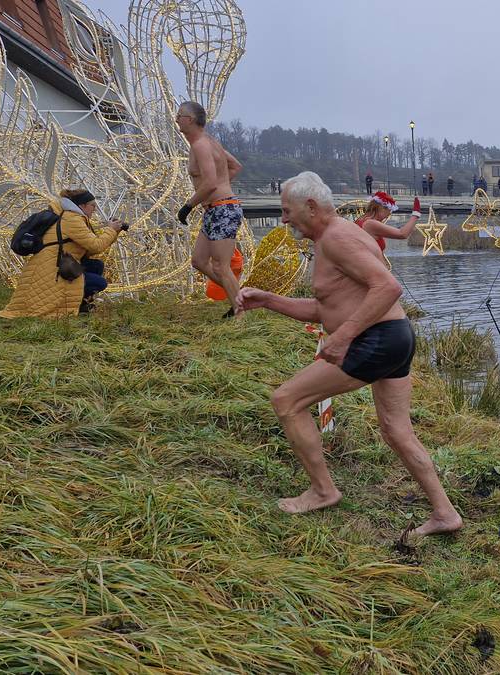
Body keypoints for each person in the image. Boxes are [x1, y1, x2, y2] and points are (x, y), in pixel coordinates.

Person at [234, 171, 461, 536]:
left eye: (287, 210)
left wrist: (343, 337)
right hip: (395, 336)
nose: (284, 219)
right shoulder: (336, 236)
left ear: (311, 206)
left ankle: (323, 491)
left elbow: (388, 287)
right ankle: (445, 514)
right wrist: (269, 300)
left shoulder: (337, 238)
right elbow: (327, 308)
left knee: (286, 400)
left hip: (376, 340)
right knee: (397, 431)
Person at [0, 189, 127, 318]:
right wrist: (110, 230)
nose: (95, 209)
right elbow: (96, 245)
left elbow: (90, 249)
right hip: (53, 270)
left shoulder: (71, 217)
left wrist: (115, 232)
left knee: (96, 265)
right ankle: (73, 302)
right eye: (92, 205)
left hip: (60, 263)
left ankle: (81, 302)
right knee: (100, 283)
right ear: (82, 205)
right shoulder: (72, 219)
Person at [176, 101, 244, 318]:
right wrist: (221, 187)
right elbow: (235, 166)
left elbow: (211, 183)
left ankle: (240, 314)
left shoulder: (201, 145)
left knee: (221, 266)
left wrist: (188, 205)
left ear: (190, 120)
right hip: (215, 209)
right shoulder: (209, 142)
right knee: (198, 261)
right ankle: (239, 296)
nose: (176, 119)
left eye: (180, 115)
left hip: (223, 209)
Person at [355, 191, 421, 252]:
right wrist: (416, 214)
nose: (389, 215)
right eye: (389, 211)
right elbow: (402, 234)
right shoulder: (371, 223)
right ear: (381, 208)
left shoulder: (359, 220)